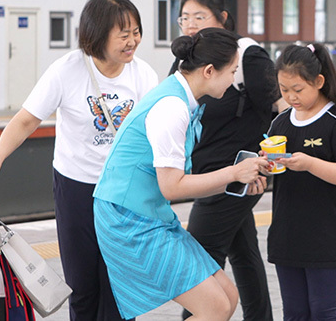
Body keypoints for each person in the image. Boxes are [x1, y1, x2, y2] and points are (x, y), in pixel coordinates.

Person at [0, 0, 158, 320]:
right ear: (98, 36)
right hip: (77, 186)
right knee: (83, 281)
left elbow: (155, 129)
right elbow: (28, 118)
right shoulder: (67, 70)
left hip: (123, 189)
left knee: (120, 282)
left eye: (136, 32)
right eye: (124, 35)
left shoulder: (143, 74)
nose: (133, 41)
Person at [93, 28, 272, 320]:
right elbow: (172, 188)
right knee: (214, 307)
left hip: (148, 213)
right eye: (233, 72)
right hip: (127, 218)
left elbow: (177, 184)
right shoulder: (172, 108)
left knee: (227, 296)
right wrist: (233, 173)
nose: (234, 80)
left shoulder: (182, 99)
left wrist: (238, 179)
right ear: (210, 71)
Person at [171, 0, 282, 320]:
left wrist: (269, 164)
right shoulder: (186, 59)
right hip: (210, 175)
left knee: (200, 255)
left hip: (237, 173)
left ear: (222, 19)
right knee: (243, 250)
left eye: (199, 16)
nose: (191, 24)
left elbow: (279, 109)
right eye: (184, 18)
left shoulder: (247, 55)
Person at [265, 43, 336, 321]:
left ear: (319, 82)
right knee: (295, 313)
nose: (290, 97)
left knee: (325, 312)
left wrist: (309, 163)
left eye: (298, 90)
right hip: (287, 234)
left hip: (326, 236)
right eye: (284, 90)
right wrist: (263, 168)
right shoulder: (281, 122)